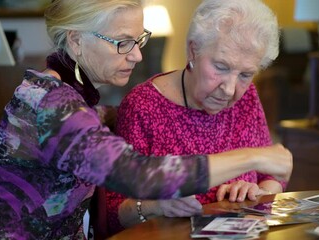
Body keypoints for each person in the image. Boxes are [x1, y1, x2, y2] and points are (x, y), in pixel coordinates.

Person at [0, 0, 292, 239]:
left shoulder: (78, 100)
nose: (136, 55)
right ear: (76, 40)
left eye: (138, 40)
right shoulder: (49, 103)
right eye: (122, 43)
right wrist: (255, 155)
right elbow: (140, 176)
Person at [101, 0, 287, 237]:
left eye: (245, 74)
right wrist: (155, 206)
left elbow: (271, 177)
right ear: (193, 51)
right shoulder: (143, 106)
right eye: (221, 67)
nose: (229, 90)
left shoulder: (247, 97)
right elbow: (112, 215)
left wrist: (257, 192)